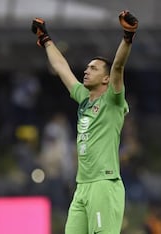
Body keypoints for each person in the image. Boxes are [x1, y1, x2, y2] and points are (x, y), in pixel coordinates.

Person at [31, 10, 139, 234]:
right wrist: (46, 40)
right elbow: (61, 67)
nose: (86, 71)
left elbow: (118, 66)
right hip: (82, 187)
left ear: (106, 79)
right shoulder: (83, 98)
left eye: (93, 68)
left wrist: (127, 36)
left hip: (104, 185)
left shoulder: (113, 100)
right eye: (87, 67)